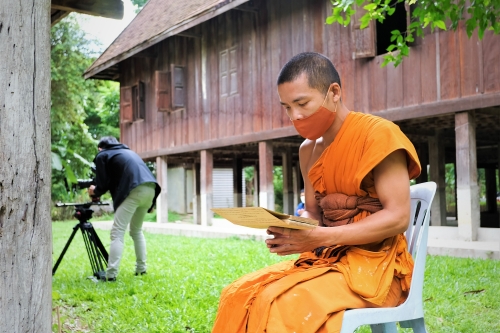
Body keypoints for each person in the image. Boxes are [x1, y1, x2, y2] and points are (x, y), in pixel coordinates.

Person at [211, 52, 421, 333]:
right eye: (286, 107)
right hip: (328, 257)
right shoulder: (308, 150)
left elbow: (397, 218)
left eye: (302, 103)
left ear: (333, 92)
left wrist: (321, 236)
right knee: (238, 294)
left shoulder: (378, 135)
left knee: (282, 304)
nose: (295, 115)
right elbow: (313, 210)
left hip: (375, 267)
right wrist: (294, 229)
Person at [88, 136, 161, 281]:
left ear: (100, 148)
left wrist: (94, 191)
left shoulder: (103, 154)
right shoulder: (129, 152)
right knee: (136, 231)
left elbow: (102, 185)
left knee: (117, 232)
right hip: (151, 189)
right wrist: (151, 202)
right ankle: (141, 269)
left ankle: (111, 275)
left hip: (134, 190)